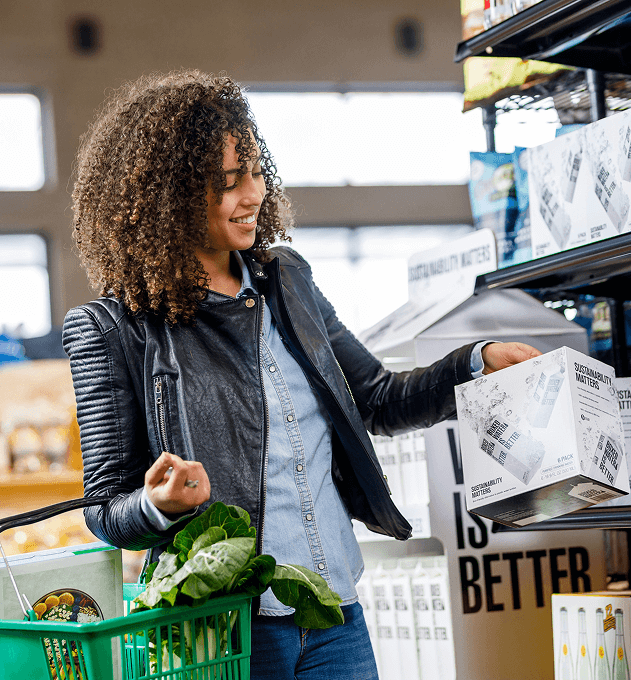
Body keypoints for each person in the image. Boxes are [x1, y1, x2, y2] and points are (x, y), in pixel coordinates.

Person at [62, 69, 540, 679]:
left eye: (257, 173)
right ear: (171, 196)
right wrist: (158, 504)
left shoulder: (286, 281)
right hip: (224, 630)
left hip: (334, 616)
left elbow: (377, 399)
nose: (253, 195)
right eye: (228, 183)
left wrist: (477, 362)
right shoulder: (113, 329)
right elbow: (104, 507)